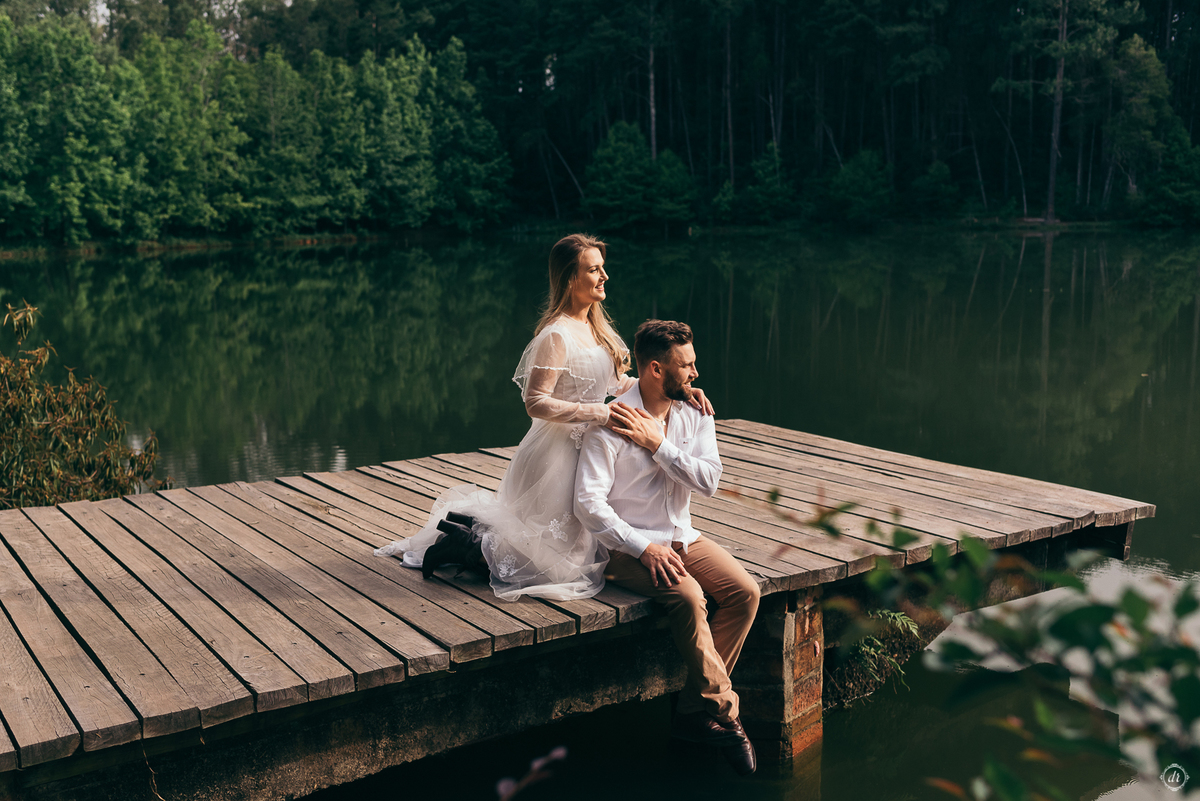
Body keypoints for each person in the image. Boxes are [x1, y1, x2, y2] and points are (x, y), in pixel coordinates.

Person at [374, 235, 712, 601]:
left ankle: (476, 539)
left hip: (591, 445)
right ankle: (468, 546)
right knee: (552, 562)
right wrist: (598, 412)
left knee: (576, 549)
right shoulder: (557, 334)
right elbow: (535, 402)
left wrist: (678, 391)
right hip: (557, 452)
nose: (604, 276)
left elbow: (615, 382)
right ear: (570, 279)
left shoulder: (596, 328)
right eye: (594, 269)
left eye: (602, 267)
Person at [574, 319, 761, 776]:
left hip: (685, 536)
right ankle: (726, 714)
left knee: (746, 593)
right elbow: (588, 506)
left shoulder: (694, 411)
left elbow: (710, 481)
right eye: (687, 365)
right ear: (656, 369)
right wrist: (641, 548)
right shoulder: (612, 421)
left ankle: (691, 714)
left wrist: (659, 445)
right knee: (691, 598)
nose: (696, 374)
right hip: (624, 549)